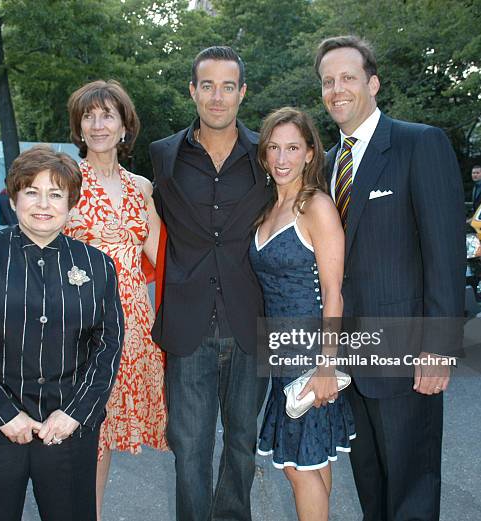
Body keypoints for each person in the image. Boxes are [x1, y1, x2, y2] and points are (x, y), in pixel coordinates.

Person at [315, 35, 464, 521]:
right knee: (373, 490)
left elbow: (444, 254)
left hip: (406, 359)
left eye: (348, 78)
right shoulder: (331, 163)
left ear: (372, 83)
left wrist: (439, 346)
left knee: (412, 491)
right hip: (353, 362)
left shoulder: (420, 143)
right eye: (328, 81)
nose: (337, 90)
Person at [0, 145, 124, 521]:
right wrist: (3, 413)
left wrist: (74, 413)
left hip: (67, 432)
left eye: (55, 194)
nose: (43, 204)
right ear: (14, 195)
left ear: (71, 203)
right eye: (32, 191)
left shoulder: (97, 264)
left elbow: (108, 343)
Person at [150, 46, 272, 521]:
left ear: (242, 92)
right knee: (190, 450)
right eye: (207, 85)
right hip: (187, 325)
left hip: (250, 322)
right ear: (193, 91)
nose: (217, 97)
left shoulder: (266, 153)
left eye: (227, 86)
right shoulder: (164, 154)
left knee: (242, 445)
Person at [65, 79, 168, 520]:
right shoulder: (63, 180)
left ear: (125, 125)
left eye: (107, 114)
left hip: (132, 328)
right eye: (88, 116)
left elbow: (164, 256)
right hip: (78, 326)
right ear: (79, 127)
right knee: (81, 434)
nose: (97, 124)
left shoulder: (140, 187)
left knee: (101, 436)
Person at [250, 107, 356, 521]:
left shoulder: (317, 207)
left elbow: (334, 293)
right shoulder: (267, 210)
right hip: (280, 355)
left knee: (296, 467)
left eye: (293, 147)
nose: (282, 158)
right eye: (273, 148)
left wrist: (326, 366)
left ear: (310, 153)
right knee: (313, 460)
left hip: (310, 354)